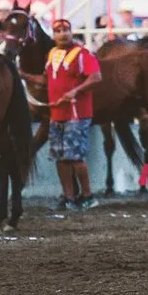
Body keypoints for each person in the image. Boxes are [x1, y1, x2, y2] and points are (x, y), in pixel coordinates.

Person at [39, 19, 102, 211]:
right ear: (53, 34)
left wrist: (76, 91)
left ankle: (87, 195)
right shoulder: (52, 54)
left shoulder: (82, 54)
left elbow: (96, 76)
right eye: (58, 30)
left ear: (71, 31)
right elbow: (45, 79)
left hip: (77, 112)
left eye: (66, 30)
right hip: (57, 113)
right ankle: (69, 197)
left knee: (75, 156)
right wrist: (23, 75)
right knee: (61, 157)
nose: (62, 33)